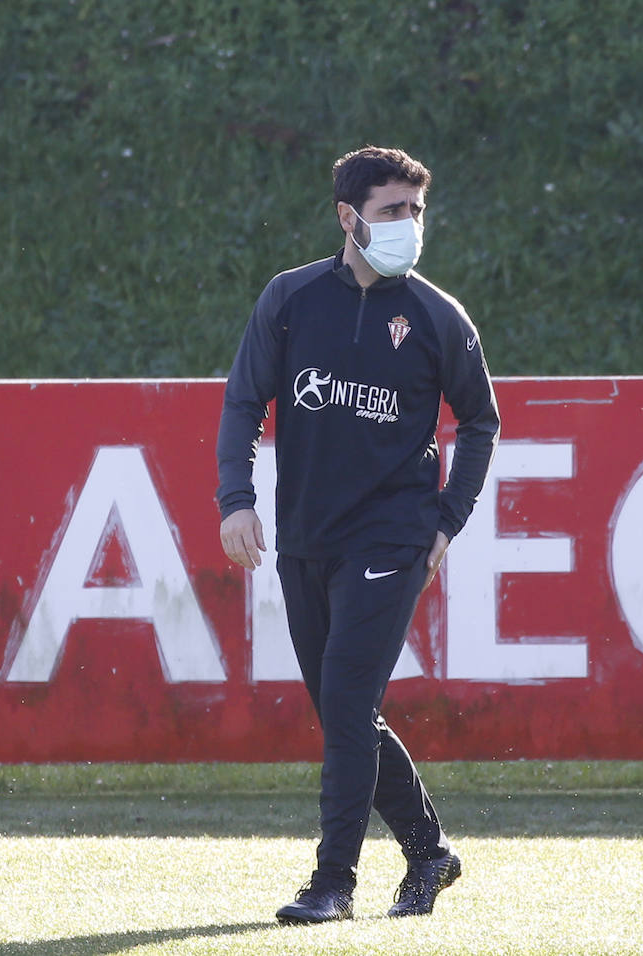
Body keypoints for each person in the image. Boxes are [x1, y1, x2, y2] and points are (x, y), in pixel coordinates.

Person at [215, 145, 500, 923]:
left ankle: (331, 883)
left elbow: (481, 422)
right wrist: (236, 499)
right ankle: (430, 854)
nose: (409, 225)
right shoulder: (291, 298)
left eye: (416, 210)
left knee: (344, 700)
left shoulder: (440, 317)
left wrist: (444, 522)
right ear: (348, 216)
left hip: (394, 536)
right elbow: (245, 403)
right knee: (347, 714)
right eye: (391, 211)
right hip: (305, 536)